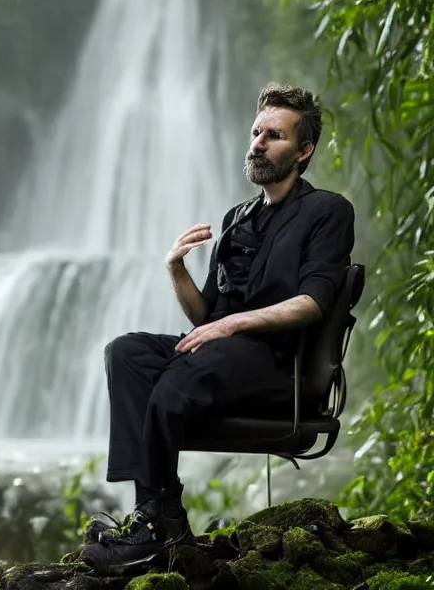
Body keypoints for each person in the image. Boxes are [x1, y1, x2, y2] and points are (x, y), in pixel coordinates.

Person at [82, 84, 355, 572]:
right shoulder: (238, 218)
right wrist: (175, 269)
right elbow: (206, 318)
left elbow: (315, 302)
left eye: (275, 135)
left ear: (304, 150)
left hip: (277, 364)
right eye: (256, 133)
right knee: (126, 353)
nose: (258, 143)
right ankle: (157, 515)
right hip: (225, 357)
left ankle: (155, 528)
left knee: (179, 377)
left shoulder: (327, 211)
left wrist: (231, 325)